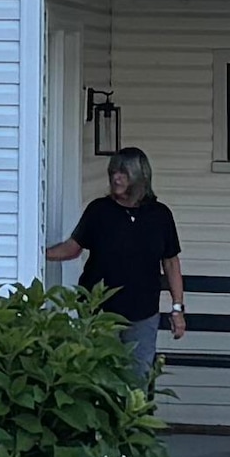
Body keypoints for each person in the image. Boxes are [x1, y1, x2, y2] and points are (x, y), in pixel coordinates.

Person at [49, 146, 184, 390]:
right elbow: (73, 247)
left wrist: (177, 308)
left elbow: (171, 262)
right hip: (99, 312)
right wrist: (39, 253)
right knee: (97, 379)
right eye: (113, 172)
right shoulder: (99, 210)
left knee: (138, 380)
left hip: (143, 312)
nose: (116, 178)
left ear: (140, 177)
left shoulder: (160, 215)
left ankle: (134, 416)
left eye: (123, 173)